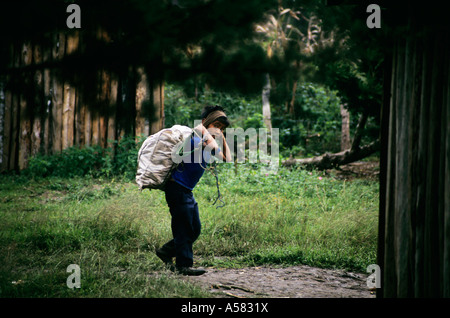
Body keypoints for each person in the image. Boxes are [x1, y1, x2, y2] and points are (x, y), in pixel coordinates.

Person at [156, 105, 231, 276]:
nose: (218, 130)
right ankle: (184, 265)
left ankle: (166, 252)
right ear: (206, 122)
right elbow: (196, 133)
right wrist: (206, 133)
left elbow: (227, 159)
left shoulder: (206, 142)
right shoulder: (192, 137)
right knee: (183, 228)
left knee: (195, 228)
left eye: (222, 128)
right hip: (177, 188)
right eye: (216, 125)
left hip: (186, 191)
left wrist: (222, 137)